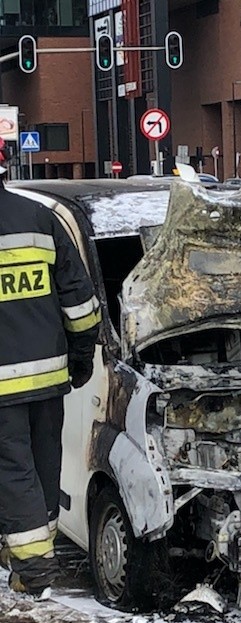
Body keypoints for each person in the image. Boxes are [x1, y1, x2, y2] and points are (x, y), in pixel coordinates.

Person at [0, 137, 100, 596]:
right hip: (49, 378)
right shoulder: (42, 220)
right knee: (43, 468)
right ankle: (32, 557)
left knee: (13, 471)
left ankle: (35, 572)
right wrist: (80, 363)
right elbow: (81, 305)